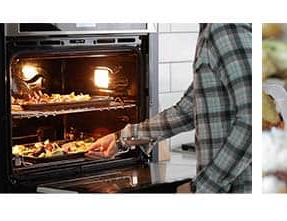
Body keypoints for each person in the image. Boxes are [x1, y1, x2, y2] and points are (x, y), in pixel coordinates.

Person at [87, 23, 252, 193]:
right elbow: (186, 111)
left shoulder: (224, 28)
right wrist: (122, 137)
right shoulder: (212, 31)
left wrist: (201, 188)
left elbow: (253, 118)